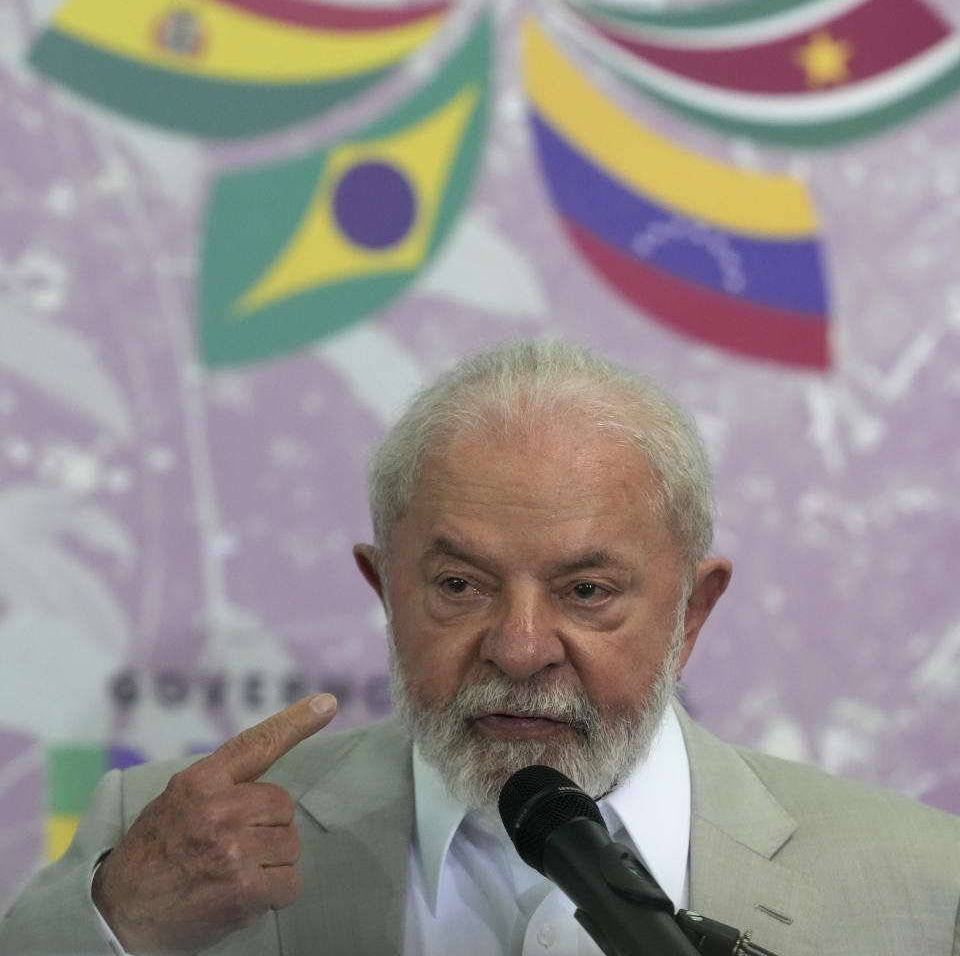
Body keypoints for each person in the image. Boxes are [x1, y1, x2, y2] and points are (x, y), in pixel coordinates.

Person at [2, 338, 959, 955]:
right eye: (460, 586)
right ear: (385, 592)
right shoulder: (158, 849)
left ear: (691, 614)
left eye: (587, 592)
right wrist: (118, 927)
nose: (520, 645)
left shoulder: (923, 890)